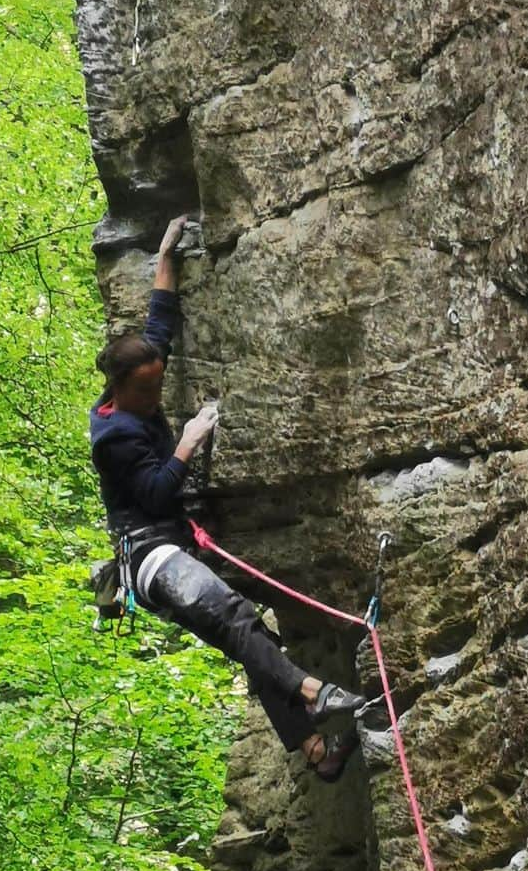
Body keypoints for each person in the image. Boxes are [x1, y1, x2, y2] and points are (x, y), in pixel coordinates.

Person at [90, 215, 366, 782]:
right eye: (145, 390)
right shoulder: (115, 436)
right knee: (234, 616)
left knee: (252, 638)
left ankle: (315, 752)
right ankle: (311, 691)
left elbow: (158, 324)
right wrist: (188, 441)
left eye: (157, 385)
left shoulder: (140, 374)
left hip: (175, 550)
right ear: (118, 389)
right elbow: (159, 494)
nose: (154, 396)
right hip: (151, 559)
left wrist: (166, 254)